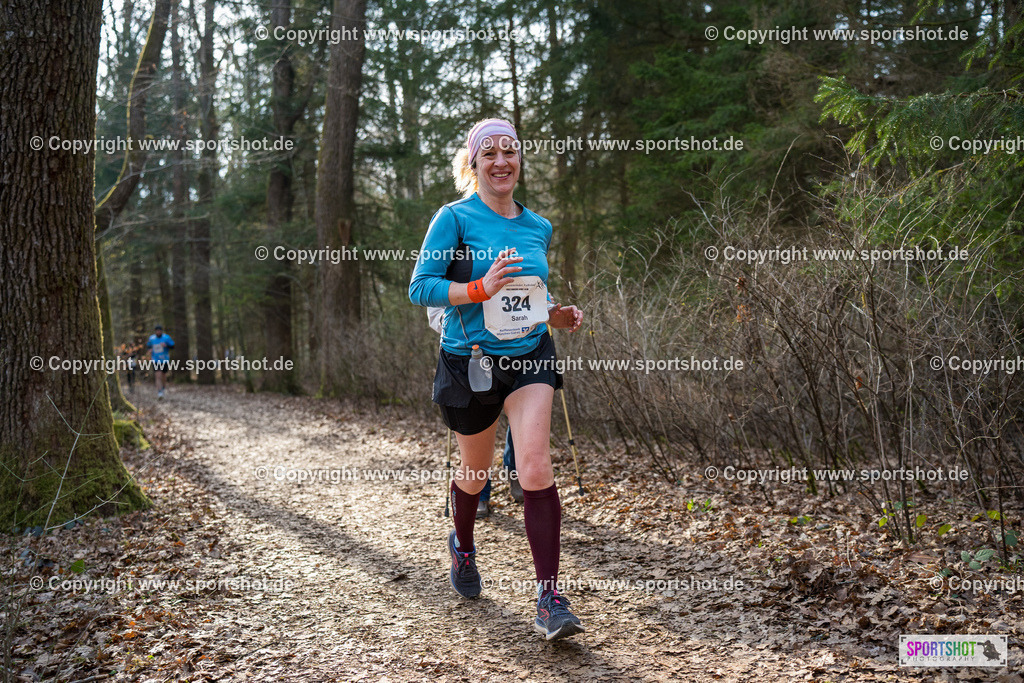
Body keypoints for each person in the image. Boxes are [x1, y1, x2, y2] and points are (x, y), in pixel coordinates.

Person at [409, 118, 585, 640]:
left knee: (534, 466)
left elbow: (528, 295)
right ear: (474, 163)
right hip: (471, 362)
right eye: (489, 153)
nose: (501, 161)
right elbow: (421, 287)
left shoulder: (538, 226)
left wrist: (553, 314)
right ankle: (462, 545)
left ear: (520, 160)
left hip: (531, 356)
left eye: (510, 151)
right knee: (475, 472)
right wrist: (478, 289)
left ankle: (550, 597)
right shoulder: (454, 218)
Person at [428, 307, 522, 518]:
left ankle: (516, 471)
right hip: (471, 353)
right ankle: (480, 493)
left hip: (516, 347)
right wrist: (462, 324)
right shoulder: (442, 282)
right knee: (479, 425)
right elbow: (435, 313)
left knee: (522, 415)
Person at [146, 324, 175, 399]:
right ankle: (160, 392)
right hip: (155, 360)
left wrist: (166, 345)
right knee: (157, 375)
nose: (158, 332)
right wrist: (149, 350)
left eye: (159, 331)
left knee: (163, 376)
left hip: (164, 360)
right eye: (157, 331)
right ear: (155, 331)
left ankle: (163, 388)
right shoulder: (152, 338)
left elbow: (173, 346)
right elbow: (148, 346)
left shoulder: (166, 337)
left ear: (162, 331)